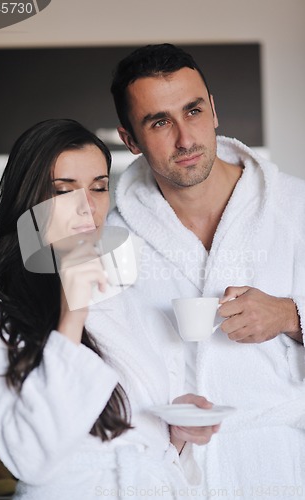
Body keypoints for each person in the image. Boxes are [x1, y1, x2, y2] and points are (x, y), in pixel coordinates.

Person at [0, 118, 218, 500]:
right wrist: (71, 318)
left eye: (100, 187)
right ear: (28, 199)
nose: (87, 207)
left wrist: (178, 431)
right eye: (63, 190)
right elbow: (31, 459)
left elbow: (142, 439)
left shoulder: (124, 296)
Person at [105, 43, 305, 498]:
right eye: (159, 122)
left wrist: (292, 316)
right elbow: (102, 374)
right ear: (130, 139)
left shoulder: (296, 208)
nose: (185, 138)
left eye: (193, 111)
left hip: (285, 469)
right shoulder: (113, 239)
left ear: (213, 110)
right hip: (174, 477)